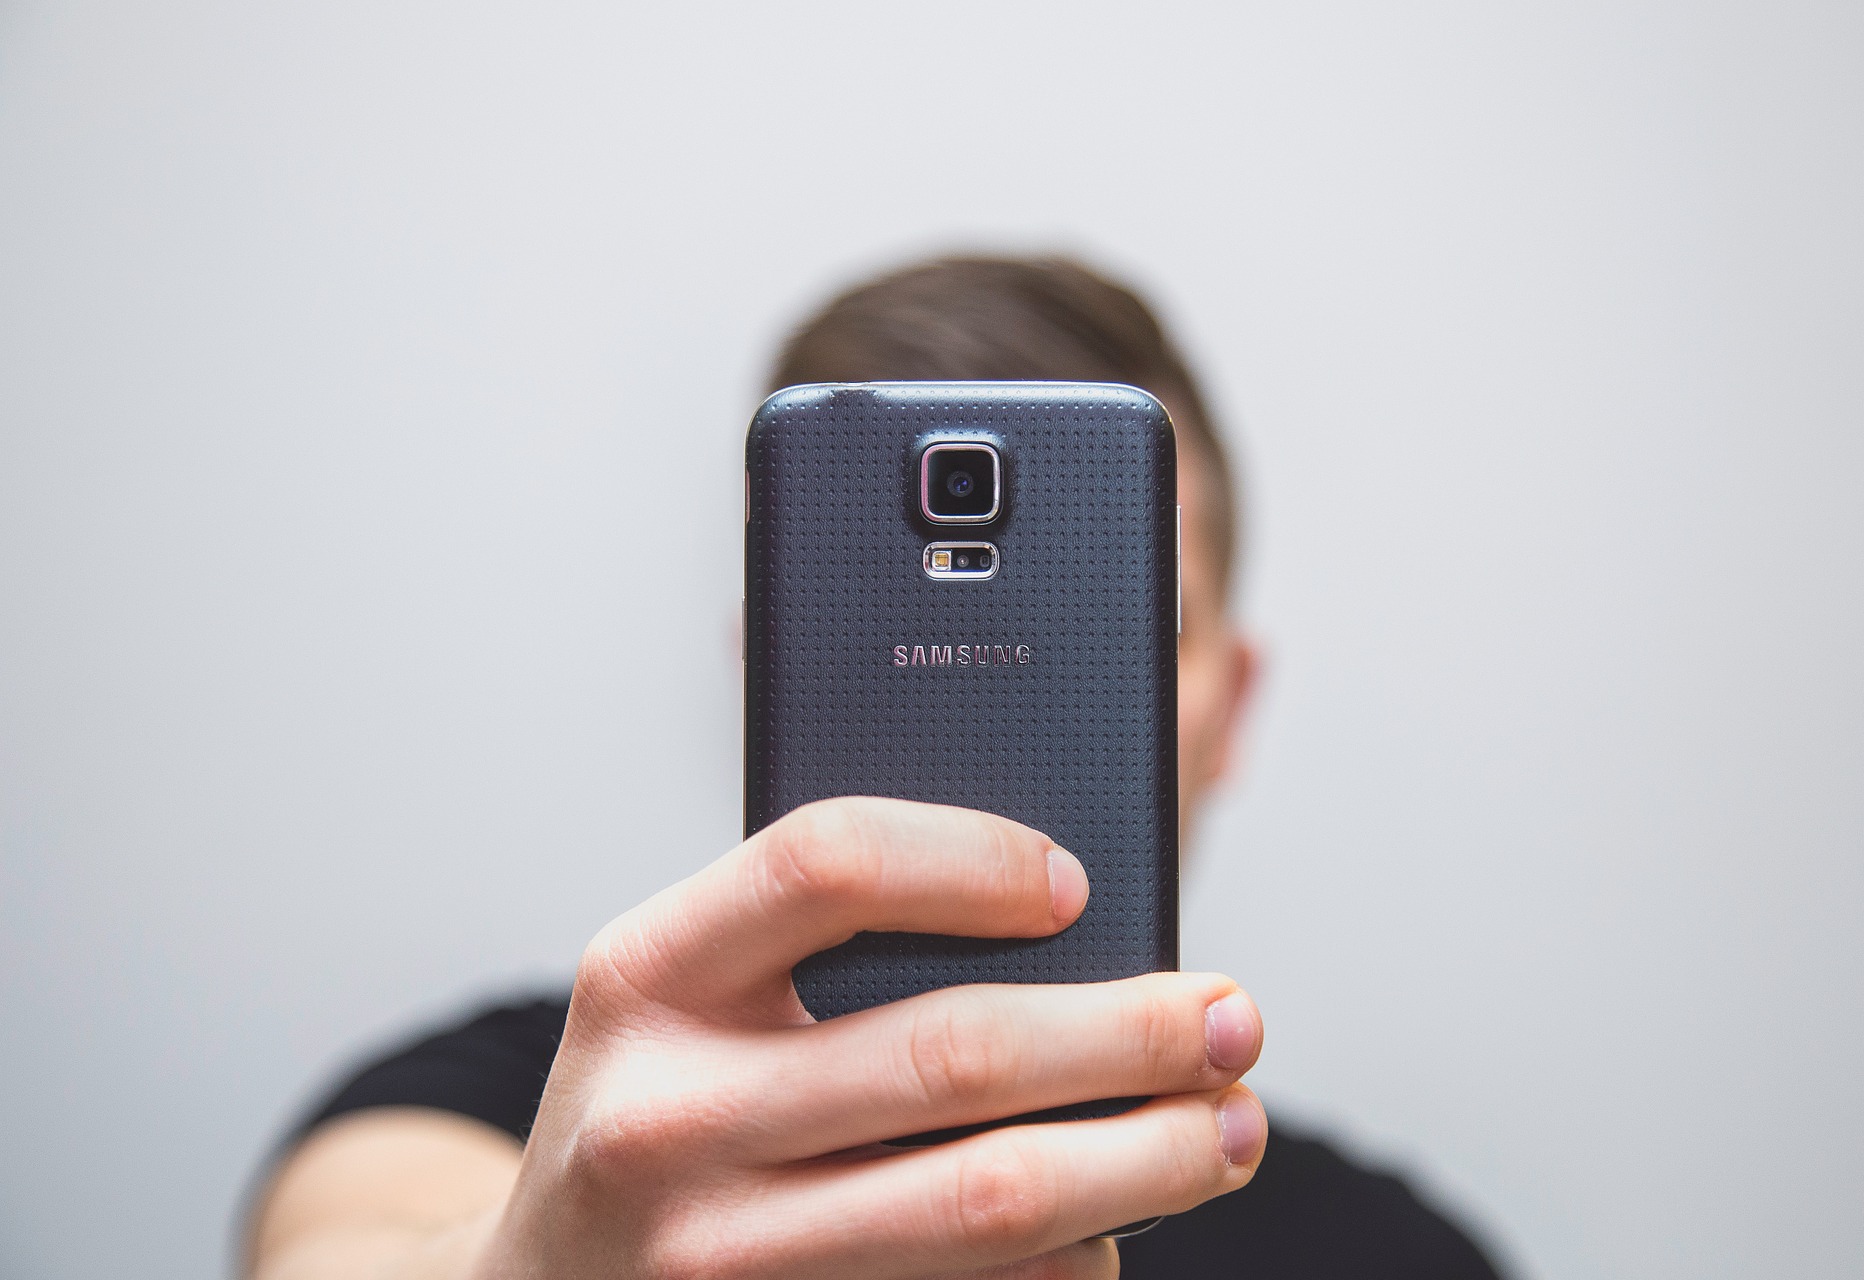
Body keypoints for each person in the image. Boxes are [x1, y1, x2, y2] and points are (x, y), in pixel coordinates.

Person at [246, 256, 1505, 1279]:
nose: (996, 696)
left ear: (1231, 706)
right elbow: (349, 1247)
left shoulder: (1405, 1259)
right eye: (892, 630)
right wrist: (527, 1265)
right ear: (766, 679)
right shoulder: (535, 1114)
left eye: (1116, 624)